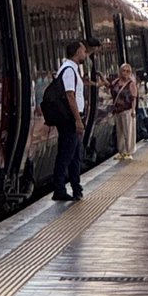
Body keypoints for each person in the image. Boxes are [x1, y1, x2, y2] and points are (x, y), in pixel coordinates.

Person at [52, 40, 87, 202]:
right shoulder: (68, 70)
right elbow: (70, 95)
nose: (85, 54)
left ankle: (76, 187)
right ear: (77, 52)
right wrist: (77, 120)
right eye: (83, 51)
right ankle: (59, 190)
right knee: (66, 155)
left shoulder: (72, 69)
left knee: (74, 156)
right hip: (70, 119)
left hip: (72, 118)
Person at [112, 62, 137, 159]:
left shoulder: (131, 83)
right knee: (120, 132)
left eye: (127, 71)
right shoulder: (116, 82)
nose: (125, 73)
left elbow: (134, 98)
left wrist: (133, 110)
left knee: (128, 131)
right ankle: (121, 151)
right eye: (123, 71)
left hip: (127, 110)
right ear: (120, 71)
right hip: (117, 110)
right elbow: (109, 87)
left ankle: (129, 151)